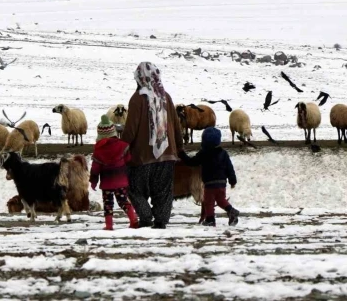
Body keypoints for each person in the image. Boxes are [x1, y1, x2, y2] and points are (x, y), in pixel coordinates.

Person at [121, 62, 184, 229]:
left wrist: (122, 147)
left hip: (142, 157)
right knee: (163, 191)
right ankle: (161, 221)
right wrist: (179, 147)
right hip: (167, 154)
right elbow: (176, 125)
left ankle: (146, 216)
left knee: (134, 188)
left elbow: (131, 129)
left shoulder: (137, 99)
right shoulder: (166, 97)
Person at [178, 127, 239, 227]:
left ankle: (210, 219)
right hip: (221, 183)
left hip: (210, 183)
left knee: (208, 202)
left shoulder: (203, 153)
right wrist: (232, 180)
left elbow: (192, 162)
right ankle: (231, 211)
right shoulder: (223, 153)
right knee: (220, 200)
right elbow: (229, 168)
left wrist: (182, 154)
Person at [90, 115, 139, 230]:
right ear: (113, 131)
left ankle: (109, 225)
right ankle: (133, 220)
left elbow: (95, 167)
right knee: (123, 201)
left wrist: (93, 181)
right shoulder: (122, 146)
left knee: (108, 204)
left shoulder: (99, 150)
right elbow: (128, 159)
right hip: (120, 180)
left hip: (107, 182)